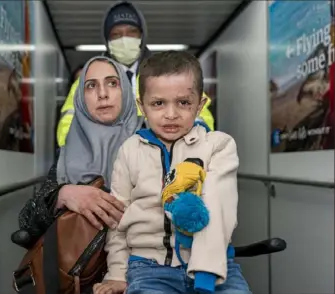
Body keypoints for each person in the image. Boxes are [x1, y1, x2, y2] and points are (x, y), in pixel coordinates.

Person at [93, 51, 250, 294]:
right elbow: (117, 218)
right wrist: (116, 273)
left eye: (184, 103)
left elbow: (220, 205)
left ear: (200, 105)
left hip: (217, 266)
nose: (171, 114)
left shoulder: (218, 145)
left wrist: (206, 274)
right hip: (149, 269)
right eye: (158, 103)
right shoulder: (129, 151)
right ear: (141, 106)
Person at [13, 56, 144, 246]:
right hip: (78, 270)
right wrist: (62, 195)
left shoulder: (150, 141)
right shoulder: (71, 150)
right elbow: (27, 222)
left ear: (125, 89)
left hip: (141, 266)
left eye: (112, 83)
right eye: (91, 86)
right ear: (81, 98)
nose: (102, 93)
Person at [56, 0, 216, 148]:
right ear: (107, 40)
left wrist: (192, 141)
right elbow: (68, 125)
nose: (124, 39)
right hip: (106, 168)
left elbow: (199, 114)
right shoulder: (88, 79)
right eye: (116, 35)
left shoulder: (170, 71)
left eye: (131, 32)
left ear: (142, 36)